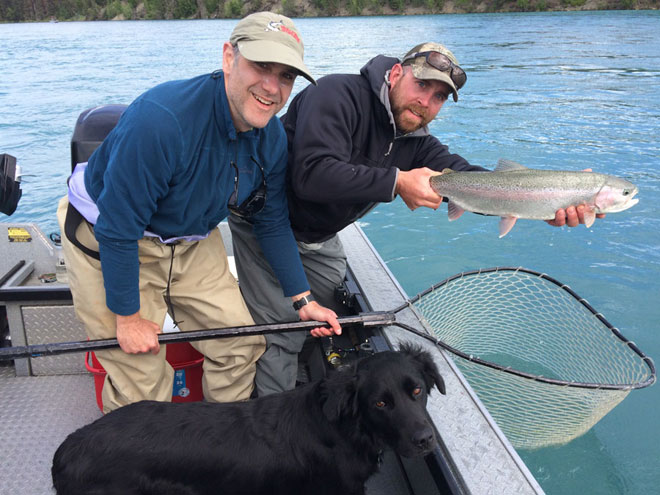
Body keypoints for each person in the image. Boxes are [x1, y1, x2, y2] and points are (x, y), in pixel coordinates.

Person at [229, 41, 603, 397]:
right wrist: (396, 181)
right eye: (421, 84)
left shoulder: (416, 141)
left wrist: (549, 202)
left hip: (320, 235)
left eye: (438, 97)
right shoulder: (337, 95)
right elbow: (311, 174)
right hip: (268, 223)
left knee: (330, 291)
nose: (426, 102)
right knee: (280, 329)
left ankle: (300, 357)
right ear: (395, 74)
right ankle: (272, 415)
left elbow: (474, 181)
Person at [56, 11, 340, 413]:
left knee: (240, 346)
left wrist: (303, 300)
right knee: (141, 376)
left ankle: (216, 448)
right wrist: (128, 318)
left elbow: (270, 218)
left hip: (190, 238)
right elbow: (118, 228)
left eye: (287, 76)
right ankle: (139, 466)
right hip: (111, 236)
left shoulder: (271, 136)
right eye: (261, 66)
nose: (272, 88)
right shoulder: (163, 120)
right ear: (229, 57)